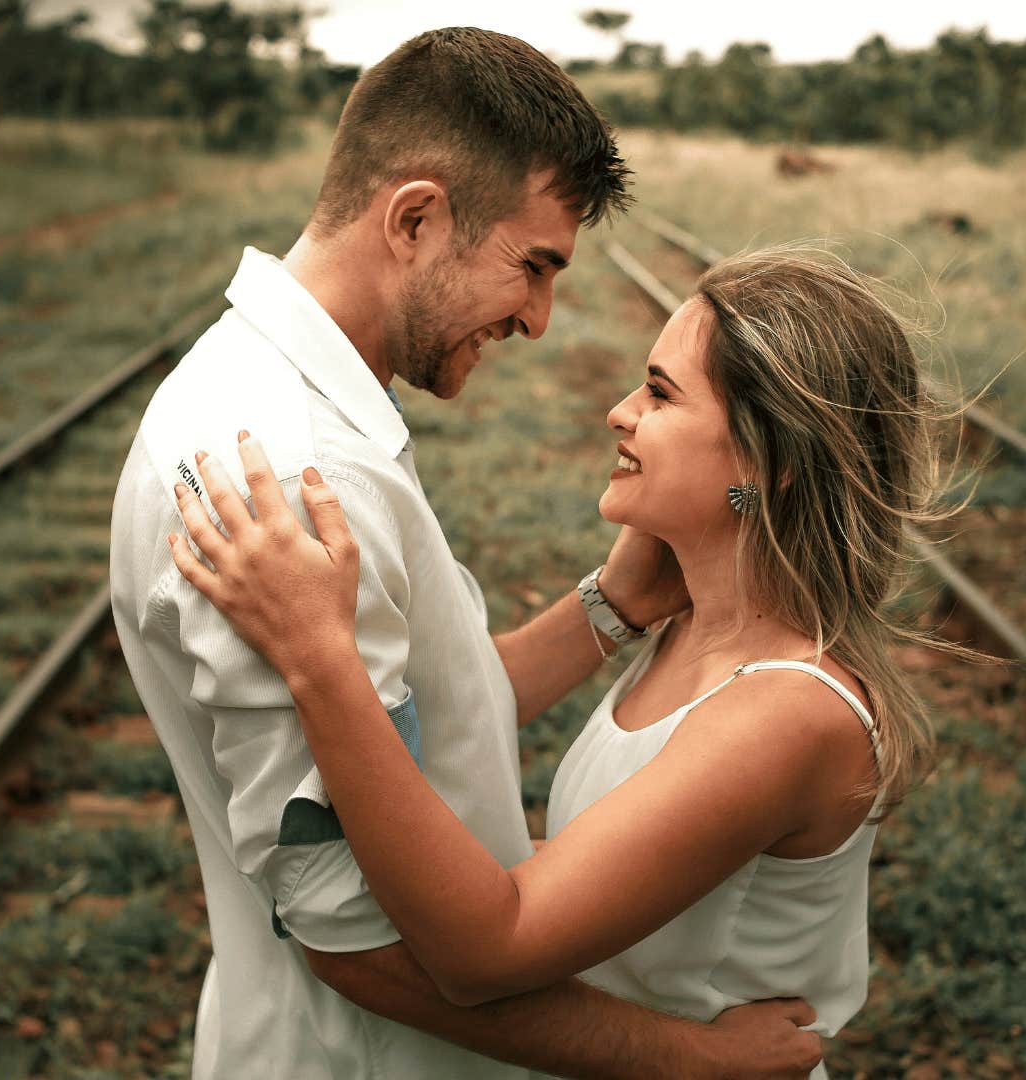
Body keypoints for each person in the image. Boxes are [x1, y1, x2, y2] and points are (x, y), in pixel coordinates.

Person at [109, 26, 825, 1080]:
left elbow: (402, 733)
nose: (537, 317)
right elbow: (358, 943)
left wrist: (605, 612)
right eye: (531, 267)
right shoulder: (300, 475)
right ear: (415, 219)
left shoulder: (250, 393)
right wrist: (686, 1060)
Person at [165, 243, 952, 1080]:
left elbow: (488, 949)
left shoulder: (786, 714)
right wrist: (610, 607)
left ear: (769, 459)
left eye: (660, 392)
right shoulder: (694, 635)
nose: (621, 412)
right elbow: (574, 836)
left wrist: (318, 656)